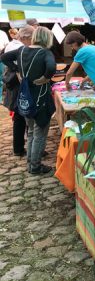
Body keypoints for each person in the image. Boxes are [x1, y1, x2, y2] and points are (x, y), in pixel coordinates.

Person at [1, 26, 56, 174]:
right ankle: (36, 166)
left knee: (31, 131)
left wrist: (17, 70)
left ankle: (31, 164)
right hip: (40, 97)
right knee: (39, 133)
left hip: (25, 98)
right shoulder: (45, 52)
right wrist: (45, 78)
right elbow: (51, 68)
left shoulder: (21, 50)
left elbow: (4, 57)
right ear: (47, 38)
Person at [1, 25, 34, 156]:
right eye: (32, 37)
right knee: (20, 116)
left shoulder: (16, 45)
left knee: (20, 116)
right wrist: (17, 69)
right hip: (16, 85)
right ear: (26, 37)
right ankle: (19, 148)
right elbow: (3, 58)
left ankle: (20, 147)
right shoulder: (19, 47)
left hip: (15, 84)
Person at [0, 29, 10, 103]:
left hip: (1, 57)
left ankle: (0, 98)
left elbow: (7, 45)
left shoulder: (2, 33)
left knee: (1, 79)